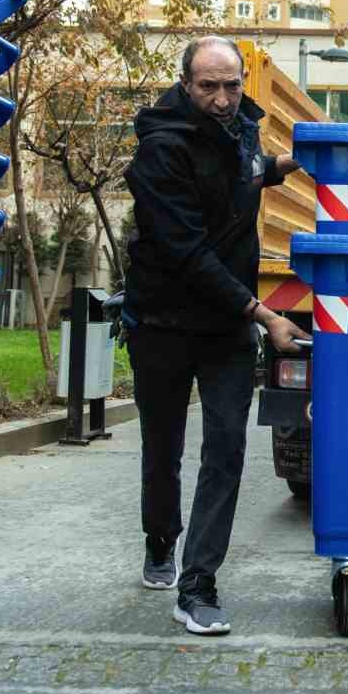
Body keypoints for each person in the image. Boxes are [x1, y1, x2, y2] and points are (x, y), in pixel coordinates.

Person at [122, 36, 309, 635]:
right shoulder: (160, 151)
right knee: (164, 448)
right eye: (209, 86)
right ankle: (160, 538)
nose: (224, 98)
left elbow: (245, 178)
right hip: (164, 321)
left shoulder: (240, 130)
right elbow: (188, 253)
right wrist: (265, 314)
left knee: (226, 448)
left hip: (225, 324)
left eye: (232, 85)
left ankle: (197, 582)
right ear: (185, 85)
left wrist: (296, 162)